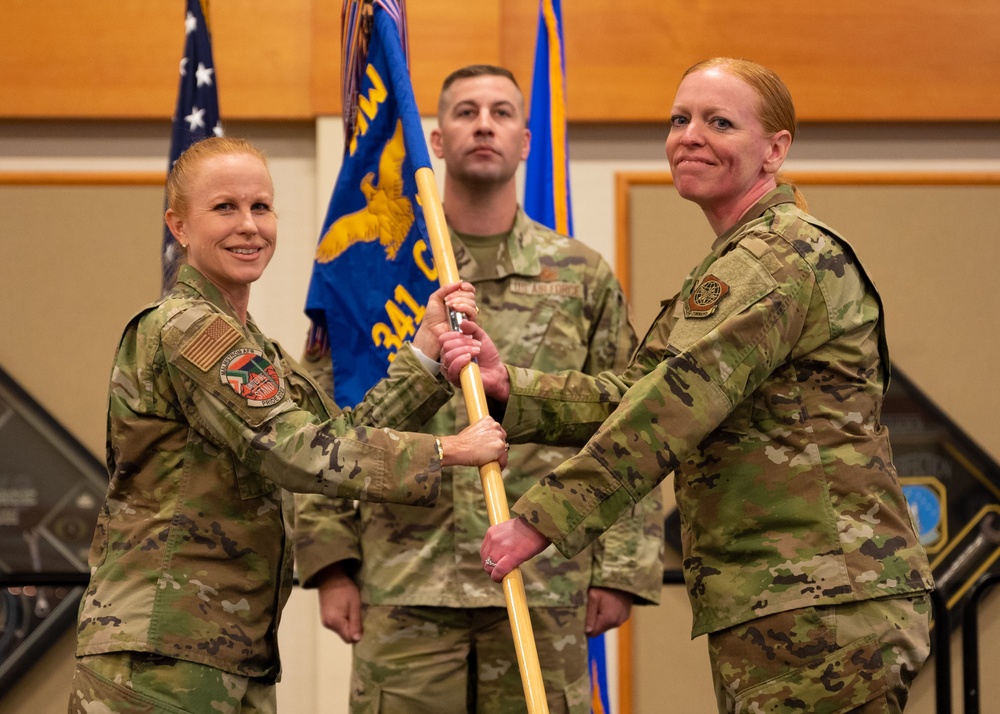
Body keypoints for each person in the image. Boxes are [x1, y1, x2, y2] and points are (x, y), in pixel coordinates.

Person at [445, 58, 934, 714]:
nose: (690, 135)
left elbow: (676, 405)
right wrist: (514, 390)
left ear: (775, 150)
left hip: (823, 601)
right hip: (778, 597)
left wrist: (541, 519)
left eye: (719, 122)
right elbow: (634, 393)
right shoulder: (732, 263)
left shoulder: (783, 256)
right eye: (680, 119)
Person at [68, 136, 508, 714]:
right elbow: (294, 450)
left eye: (261, 207)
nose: (249, 226)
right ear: (178, 226)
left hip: (227, 650)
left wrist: (424, 356)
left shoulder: (253, 345)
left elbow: (336, 434)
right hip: (162, 655)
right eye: (225, 207)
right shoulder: (187, 329)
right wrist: (448, 451)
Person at [294, 65, 663, 714]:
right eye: (466, 112)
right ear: (435, 142)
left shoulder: (580, 276)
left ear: (527, 141)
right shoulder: (377, 276)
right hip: (405, 580)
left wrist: (622, 569)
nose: (484, 124)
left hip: (543, 578)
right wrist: (329, 564)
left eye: (501, 112)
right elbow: (320, 421)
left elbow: (626, 423)